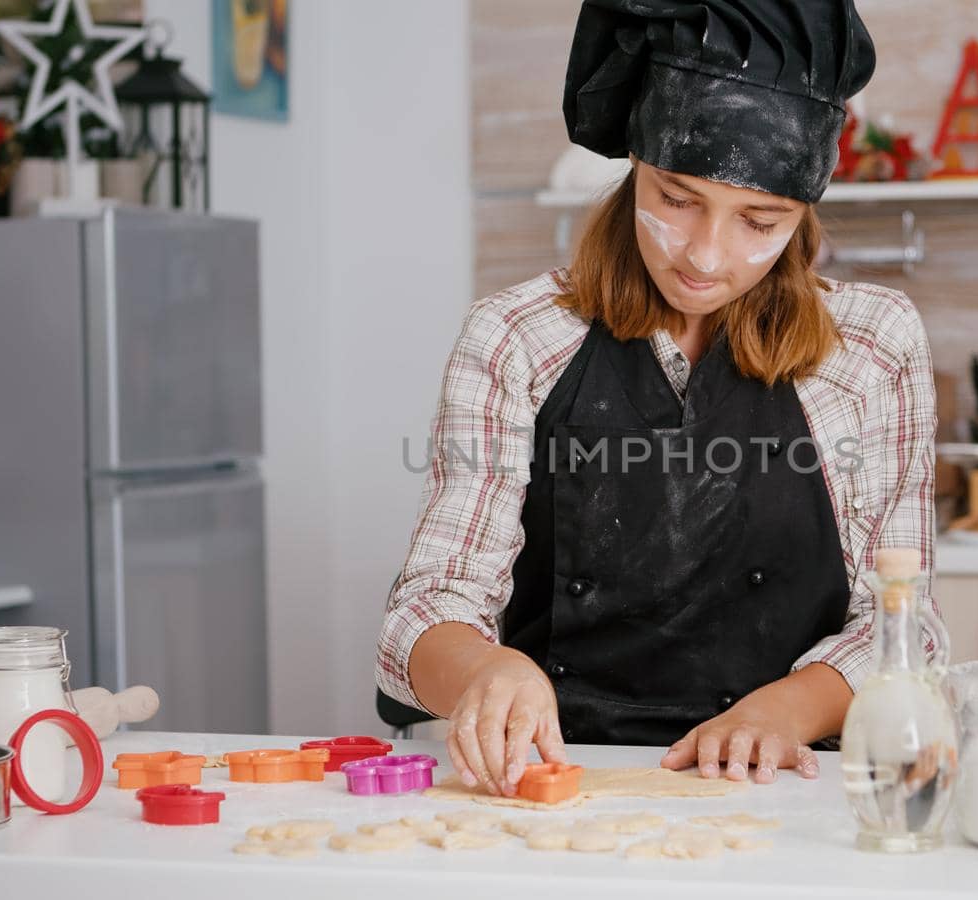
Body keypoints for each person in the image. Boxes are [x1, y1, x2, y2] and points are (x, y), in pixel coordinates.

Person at [376, 0, 940, 797]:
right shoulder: (515, 335)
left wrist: (784, 711)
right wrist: (482, 669)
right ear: (634, 166)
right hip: (558, 779)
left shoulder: (874, 345)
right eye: (677, 200)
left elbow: (904, 622)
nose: (706, 256)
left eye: (759, 220)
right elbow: (427, 604)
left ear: (803, 215)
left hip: (786, 782)